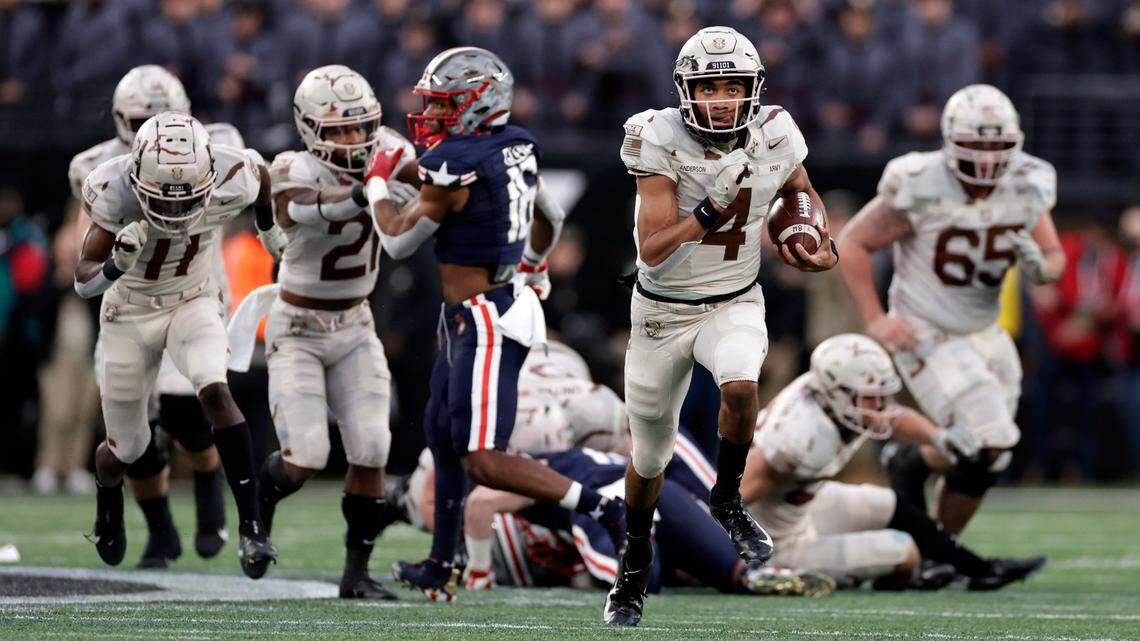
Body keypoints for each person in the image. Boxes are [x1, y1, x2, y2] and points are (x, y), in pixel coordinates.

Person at [362, 46, 623, 603]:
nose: (432, 115)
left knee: (482, 456)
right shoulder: (515, 146)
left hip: (483, 317)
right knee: (439, 430)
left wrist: (378, 184)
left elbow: (398, 239)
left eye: (444, 105)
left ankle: (603, 506)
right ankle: (444, 560)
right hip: (480, 308)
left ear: (477, 104)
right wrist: (535, 262)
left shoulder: (453, 162)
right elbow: (549, 216)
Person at [607, 26, 838, 627]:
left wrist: (811, 234)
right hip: (661, 311)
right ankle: (633, 564)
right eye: (709, 87)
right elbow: (654, 248)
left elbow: (800, 192)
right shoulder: (655, 136)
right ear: (687, 91)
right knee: (651, 457)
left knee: (741, 384)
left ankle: (727, 497)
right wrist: (705, 214)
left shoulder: (776, 133)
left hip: (735, 299)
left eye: (733, 86)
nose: (721, 100)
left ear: (753, 89)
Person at [838, 84, 1065, 535]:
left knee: (991, 452)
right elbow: (853, 241)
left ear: (1015, 142)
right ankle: (937, 549)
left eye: (996, 145)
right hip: (927, 328)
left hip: (986, 332)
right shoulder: (921, 183)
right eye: (975, 144)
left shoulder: (1027, 182)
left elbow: (1053, 257)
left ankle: (921, 490)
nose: (985, 158)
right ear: (949, 140)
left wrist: (1043, 267)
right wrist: (877, 319)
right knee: (989, 439)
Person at [67, 64, 270, 568]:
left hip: (193, 297)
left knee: (210, 393)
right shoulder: (109, 184)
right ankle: (110, 508)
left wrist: (272, 236)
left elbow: (263, 179)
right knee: (128, 447)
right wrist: (116, 263)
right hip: (130, 311)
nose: (177, 208)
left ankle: (250, 528)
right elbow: (82, 279)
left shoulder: (229, 168)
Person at [254, 64, 417, 600]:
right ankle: (259, 505)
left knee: (372, 448)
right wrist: (369, 188)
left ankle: (355, 574)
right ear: (308, 129)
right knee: (305, 458)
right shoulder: (291, 167)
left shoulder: (390, 149)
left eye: (360, 127)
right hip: (297, 326)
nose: (353, 140)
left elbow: (426, 196)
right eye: (338, 130)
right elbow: (303, 212)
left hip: (355, 322)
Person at [743, 334, 1046, 590]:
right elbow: (729, 499)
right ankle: (915, 577)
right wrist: (717, 562)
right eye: (870, 398)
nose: (880, 406)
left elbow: (894, 417)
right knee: (904, 552)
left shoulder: (826, 394)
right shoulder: (799, 441)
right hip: (774, 544)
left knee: (887, 503)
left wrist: (938, 437)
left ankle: (979, 568)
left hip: (798, 510)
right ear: (838, 393)